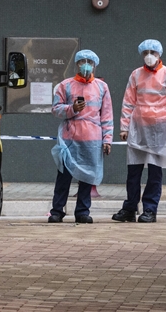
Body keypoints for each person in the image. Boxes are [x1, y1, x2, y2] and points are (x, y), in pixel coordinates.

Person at [112, 39, 166, 223]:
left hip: (160, 130)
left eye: (153, 52)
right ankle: (130, 208)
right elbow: (128, 102)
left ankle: (150, 210)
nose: (149, 56)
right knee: (133, 171)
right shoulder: (136, 75)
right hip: (138, 128)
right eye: (145, 53)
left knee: (154, 172)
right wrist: (124, 127)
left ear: (159, 54)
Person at [48, 50, 113, 224]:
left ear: (95, 65)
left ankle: (83, 211)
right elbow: (55, 109)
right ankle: (57, 211)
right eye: (82, 61)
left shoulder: (102, 87)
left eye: (90, 62)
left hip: (92, 140)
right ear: (76, 64)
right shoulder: (65, 85)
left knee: (87, 177)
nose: (86, 65)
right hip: (69, 139)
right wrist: (72, 109)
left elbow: (107, 115)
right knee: (64, 177)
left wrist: (107, 139)